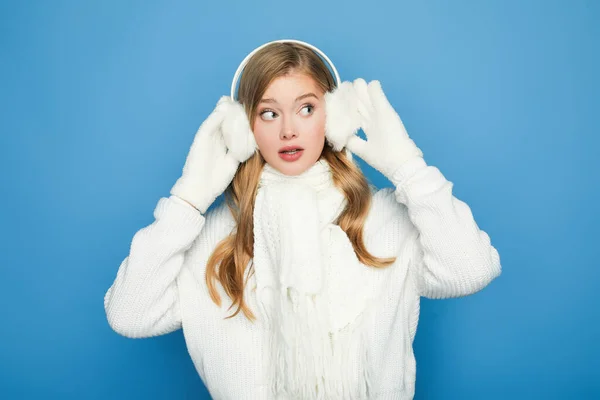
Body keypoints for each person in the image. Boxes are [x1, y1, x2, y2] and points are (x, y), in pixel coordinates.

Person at [104, 39, 502, 400]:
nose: (289, 130)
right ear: (245, 128)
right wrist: (188, 200)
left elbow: (470, 270)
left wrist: (408, 167)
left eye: (307, 108)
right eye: (269, 113)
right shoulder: (211, 236)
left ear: (335, 116)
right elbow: (129, 315)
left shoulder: (385, 218)